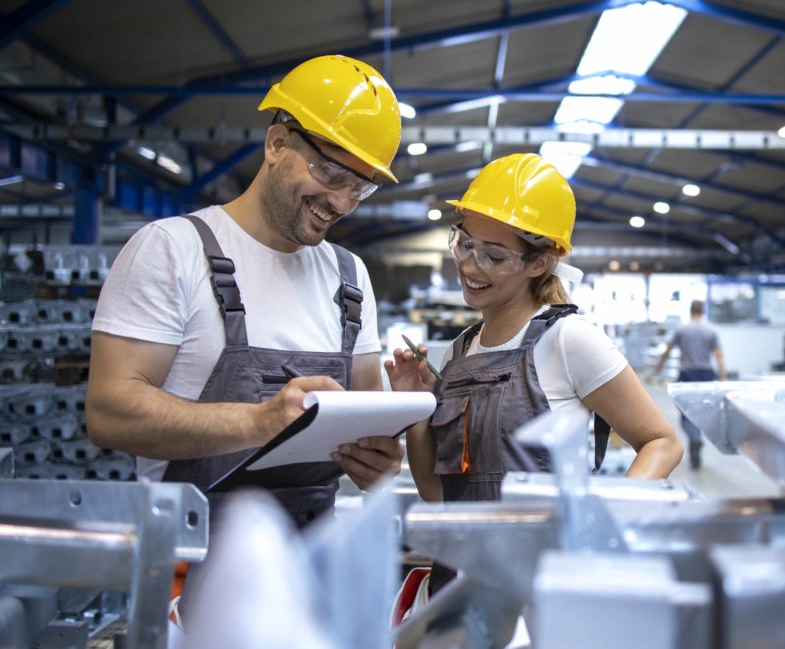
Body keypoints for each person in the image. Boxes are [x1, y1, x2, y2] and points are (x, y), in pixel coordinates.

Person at [85, 54, 405, 532]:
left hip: (309, 567)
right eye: (331, 174)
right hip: (189, 571)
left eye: (360, 188)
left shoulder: (349, 276)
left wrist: (378, 461)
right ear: (277, 143)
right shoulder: (173, 249)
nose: (341, 203)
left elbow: (363, 425)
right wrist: (258, 422)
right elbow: (109, 412)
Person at [385, 153, 684, 592]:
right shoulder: (456, 355)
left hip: (544, 588)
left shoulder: (568, 340)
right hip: (457, 588)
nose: (470, 266)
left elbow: (664, 443)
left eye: (493, 255)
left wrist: (600, 525)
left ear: (539, 262)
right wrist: (415, 408)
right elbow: (437, 495)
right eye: (465, 244)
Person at [652, 299, 727, 469]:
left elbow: (667, 351)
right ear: (703, 311)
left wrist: (658, 367)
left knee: (686, 414)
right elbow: (719, 355)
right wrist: (723, 376)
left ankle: (694, 437)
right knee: (702, 411)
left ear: (690, 310)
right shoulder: (711, 330)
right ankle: (697, 437)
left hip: (687, 375)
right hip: (707, 375)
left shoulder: (682, 330)